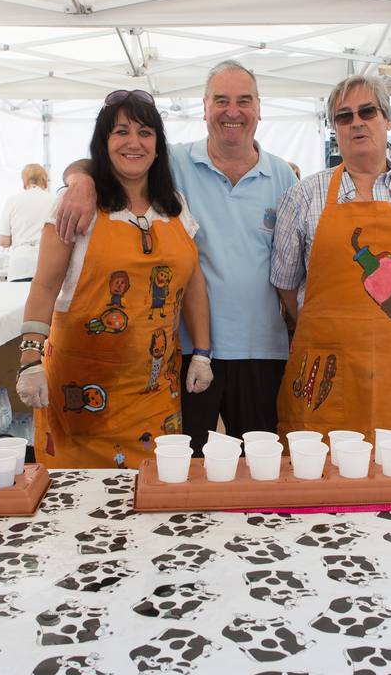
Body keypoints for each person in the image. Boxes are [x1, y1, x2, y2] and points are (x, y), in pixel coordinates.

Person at [56, 61, 297, 453]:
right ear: (204, 107)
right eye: (221, 101)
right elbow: (114, 158)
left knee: (261, 470)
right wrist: (80, 179)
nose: (232, 112)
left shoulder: (282, 175)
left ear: (259, 108)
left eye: (243, 101)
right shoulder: (173, 162)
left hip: (261, 351)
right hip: (185, 352)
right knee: (183, 467)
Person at [17, 90, 213, 468]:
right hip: (82, 394)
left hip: (155, 391)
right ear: (103, 142)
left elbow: (194, 284)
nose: (133, 142)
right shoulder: (76, 205)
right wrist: (29, 359)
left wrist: (202, 354)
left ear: (158, 145)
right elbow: (43, 286)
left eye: (145, 132)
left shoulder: (174, 206)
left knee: (153, 491)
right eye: (121, 132)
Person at [270, 74, 391, 466]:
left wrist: (389, 324)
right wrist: (330, 326)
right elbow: (285, 285)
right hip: (329, 367)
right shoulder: (304, 195)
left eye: (367, 111)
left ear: (387, 119)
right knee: (319, 472)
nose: (356, 122)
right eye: (344, 116)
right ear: (335, 128)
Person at [0, 163, 56, 282]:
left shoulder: (12, 201)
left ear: (24, 183)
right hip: (49, 264)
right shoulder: (55, 200)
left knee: (18, 300)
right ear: (45, 182)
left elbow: (3, 241)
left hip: (20, 265)